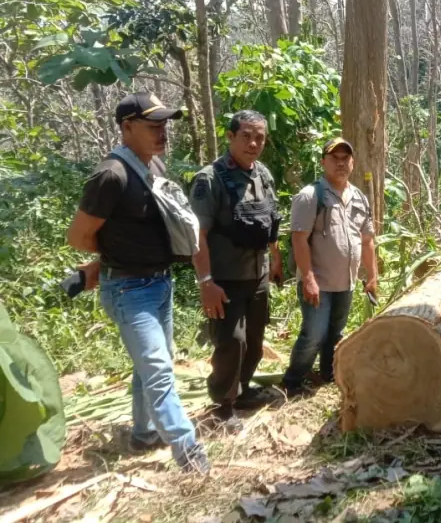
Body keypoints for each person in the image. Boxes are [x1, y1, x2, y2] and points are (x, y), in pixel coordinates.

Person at [66, 92, 209, 474]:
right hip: (129, 290)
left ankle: (144, 433)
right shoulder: (111, 175)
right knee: (159, 369)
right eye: (153, 126)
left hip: (158, 284)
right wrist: (111, 257)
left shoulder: (153, 164)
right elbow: (79, 236)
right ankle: (188, 450)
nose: (162, 133)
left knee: (148, 367)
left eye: (164, 125)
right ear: (127, 127)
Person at [189, 110, 283, 432]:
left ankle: (241, 391)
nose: (253, 143)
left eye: (260, 137)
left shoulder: (263, 175)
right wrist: (205, 282)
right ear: (230, 137)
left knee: (255, 341)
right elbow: (197, 237)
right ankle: (223, 405)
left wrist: (276, 258)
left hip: (257, 276)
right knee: (232, 342)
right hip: (224, 279)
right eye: (246, 135)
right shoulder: (210, 179)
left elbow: (269, 221)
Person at [282, 138, 377, 394]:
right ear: (323, 161)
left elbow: (367, 240)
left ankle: (328, 374)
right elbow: (299, 239)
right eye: (335, 158)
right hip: (318, 282)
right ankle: (292, 382)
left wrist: (371, 276)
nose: (341, 163)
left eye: (345, 158)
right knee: (314, 334)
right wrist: (309, 279)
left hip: (345, 282)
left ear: (353, 162)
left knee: (336, 333)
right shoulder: (311, 196)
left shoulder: (359, 198)